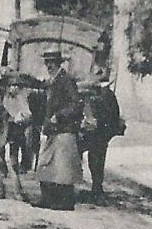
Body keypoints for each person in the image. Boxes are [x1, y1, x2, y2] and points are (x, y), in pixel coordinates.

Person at [35, 48, 84, 211]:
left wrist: (60, 115)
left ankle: (65, 202)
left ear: (58, 63)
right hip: (52, 129)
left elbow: (76, 104)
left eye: (52, 62)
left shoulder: (66, 80)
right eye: (47, 62)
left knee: (63, 168)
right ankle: (47, 198)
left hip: (64, 129)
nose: (49, 65)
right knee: (45, 164)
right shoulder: (51, 81)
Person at [80, 65, 126, 204]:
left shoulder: (106, 94)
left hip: (98, 132)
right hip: (90, 131)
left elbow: (113, 115)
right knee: (95, 161)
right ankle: (96, 189)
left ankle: (97, 189)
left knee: (96, 162)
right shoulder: (85, 93)